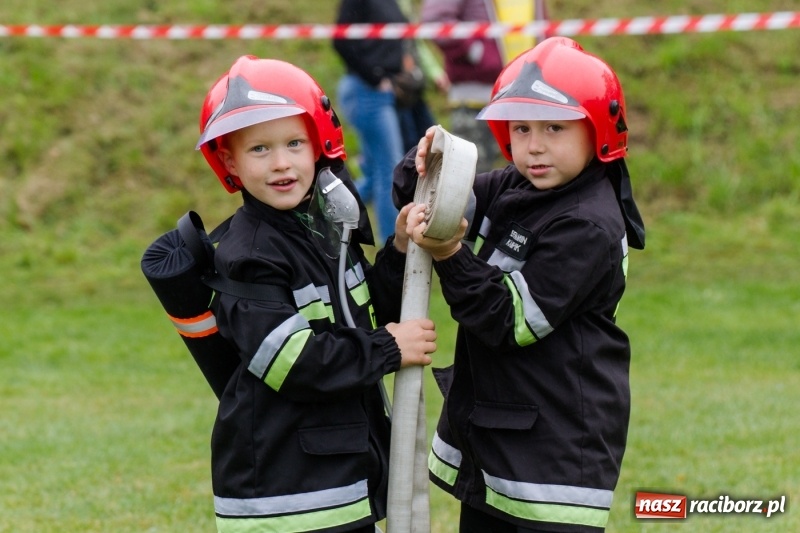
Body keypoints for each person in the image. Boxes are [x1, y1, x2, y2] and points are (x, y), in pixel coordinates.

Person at [393, 37, 646, 532]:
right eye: (522, 127)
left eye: (555, 127)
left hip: (554, 457)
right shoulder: (517, 185)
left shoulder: (588, 224)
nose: (534, 145)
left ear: (598, 130)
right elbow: (432, 198)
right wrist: (429, 162)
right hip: (500, 440)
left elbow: (509, 320)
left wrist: (450, 255)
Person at [195, 55, 438, 533]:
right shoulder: (249, 254)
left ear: (319, 143)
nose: (281, 163)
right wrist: (389, 348)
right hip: (286, 494)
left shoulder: (322, 229)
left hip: (336, 476)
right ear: (229, 162)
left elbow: (363, 309)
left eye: (294, 143)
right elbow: (294, 362)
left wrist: (398, 250)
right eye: (259, 149)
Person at [420, 0, 548, 173]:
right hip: (476, 102)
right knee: (470, 179)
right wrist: (476, 52)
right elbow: (436, 18)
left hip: (526, 97)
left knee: (524, 181)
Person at [333, 0, 416, 245]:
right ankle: (393, 245)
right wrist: (374, 76)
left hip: (380, 92)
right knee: (389, 171)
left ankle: (327, 224)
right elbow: (340, 39)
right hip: (366, 92)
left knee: (374, 174)